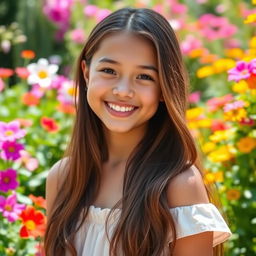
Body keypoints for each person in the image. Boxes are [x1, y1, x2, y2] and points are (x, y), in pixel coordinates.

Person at [44, 7, 232, 256]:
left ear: (165, 88)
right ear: (87, 73)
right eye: (109, 71)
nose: (123, 90)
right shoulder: (64, 178)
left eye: (144, 76)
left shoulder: (178, 185)